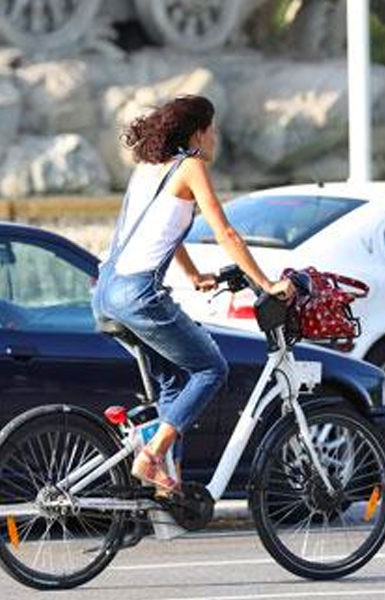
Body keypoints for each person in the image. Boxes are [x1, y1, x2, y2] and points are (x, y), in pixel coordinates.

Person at [92, 95, 294, 492]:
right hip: (138, 295)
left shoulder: (148, 167)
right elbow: (226, 232)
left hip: (106, 292)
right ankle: (151, 457)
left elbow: (159, 228)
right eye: (212, 128)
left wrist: (194, 274)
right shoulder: (191, 167)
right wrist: (267, 285)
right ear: (198, 132)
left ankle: (170, 485)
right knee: (211, 369)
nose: (215, 137)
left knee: (173, 383)